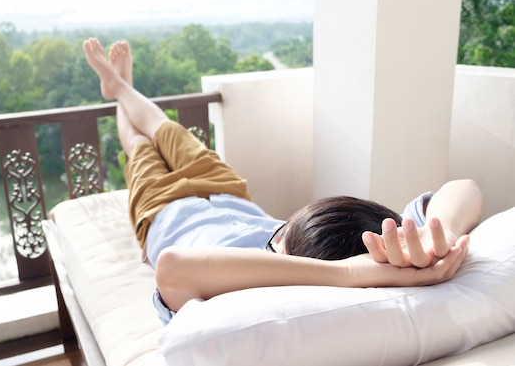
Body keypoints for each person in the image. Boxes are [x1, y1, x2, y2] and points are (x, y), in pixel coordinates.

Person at [82, 37, 480, 325]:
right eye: (282, 229)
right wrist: (431, 238)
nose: (272, 237)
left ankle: (118, 89)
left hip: (165, 209)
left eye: (277, 244)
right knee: (162, 127)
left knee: (139, 146)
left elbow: (172, 267)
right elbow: (464, 188)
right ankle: (121, 86)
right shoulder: (368, 244)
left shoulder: (248, 294)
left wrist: (347, 275)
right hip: (226, 191)